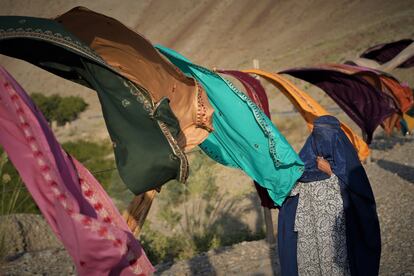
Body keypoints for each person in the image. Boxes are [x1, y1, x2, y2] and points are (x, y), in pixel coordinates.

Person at [278, 115, 381, 276]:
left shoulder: (348, 166)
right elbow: (289, 190)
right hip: (310, 235)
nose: (323, 140)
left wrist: (331, 172)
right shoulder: (304, 165)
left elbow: (360, 194)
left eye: (327, 134)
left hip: (338, 234)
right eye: (318, 134)